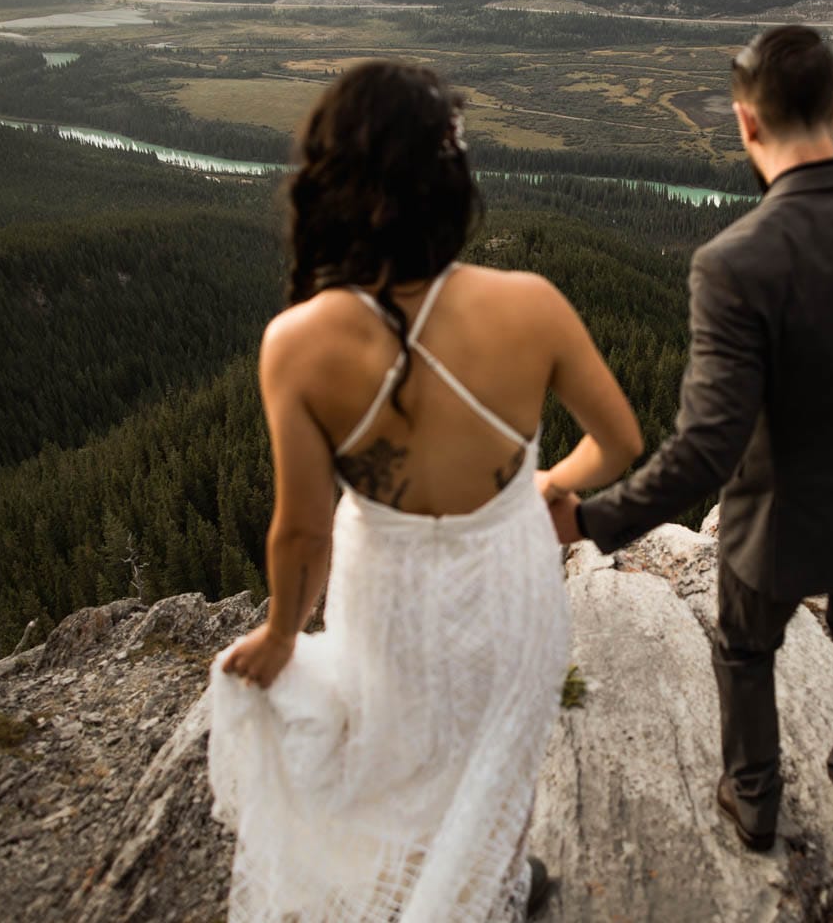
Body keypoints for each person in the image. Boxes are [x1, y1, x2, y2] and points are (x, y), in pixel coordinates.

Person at [545, 25, 833, 852]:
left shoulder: (735, 261)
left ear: (744, 124)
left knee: (747, 649)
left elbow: (705, 450)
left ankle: (753, 798)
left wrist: (589, 519)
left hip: (774, 526)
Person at [207, 61, 643, 921]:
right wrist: (548, 483)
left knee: (397, 745)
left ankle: (404, 887)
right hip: (511, 574)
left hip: (389, 588)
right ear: (450, 180)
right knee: (499, 750)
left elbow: (302, 534)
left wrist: (282, 634)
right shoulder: (532, 305)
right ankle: (494, 889)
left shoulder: (295, 344)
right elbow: (622, 443)